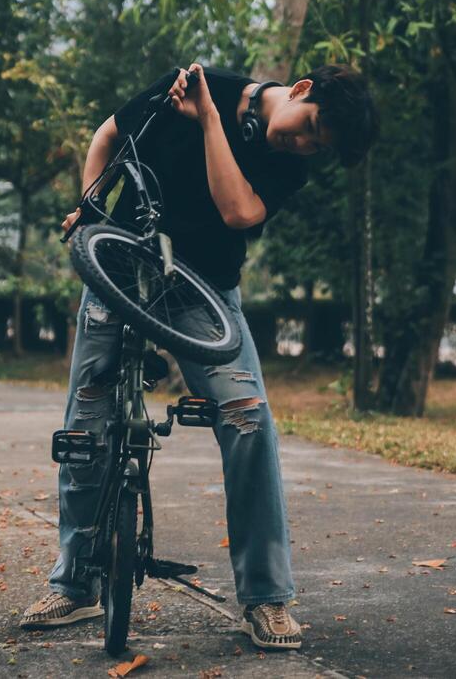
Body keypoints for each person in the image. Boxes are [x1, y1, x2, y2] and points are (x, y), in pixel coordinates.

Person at [20, 61, 378, 649]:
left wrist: (210, 119)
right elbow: (109, 135)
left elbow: (238, 212)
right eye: (310, 126)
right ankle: (76, 585)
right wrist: (89, 208)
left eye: (317, 145)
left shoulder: (282, 161)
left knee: (248, 419)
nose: (304, 144)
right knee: (86, 422)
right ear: (302, 91)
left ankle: (267, 599)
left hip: (204, 290)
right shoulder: (186, 82)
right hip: (119, 267)